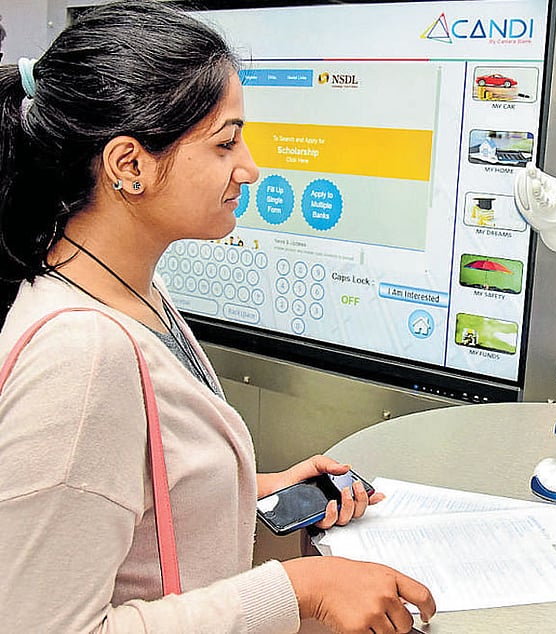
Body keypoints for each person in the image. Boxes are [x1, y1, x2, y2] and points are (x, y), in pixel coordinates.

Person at [0, 2, 435, 632]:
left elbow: (133, 503)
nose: (250, 167)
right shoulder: (83, 357)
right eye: (225, 141)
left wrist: (244, 488)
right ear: (130, 166)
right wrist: (298, 589)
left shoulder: (132, 294)